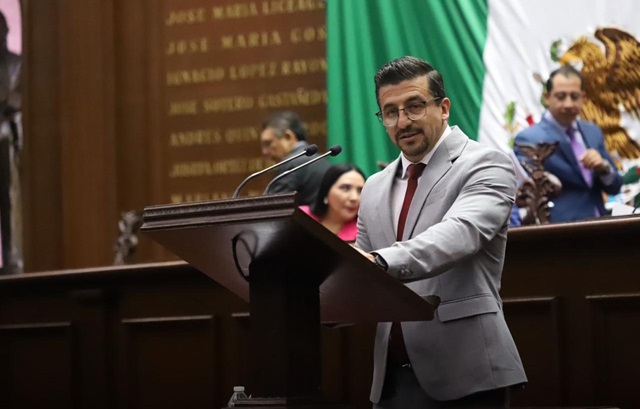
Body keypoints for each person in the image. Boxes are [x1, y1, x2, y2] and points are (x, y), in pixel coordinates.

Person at [355, 56, 527, 408]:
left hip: (467, 374)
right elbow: (359, 270)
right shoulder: (373, 186)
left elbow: (459, 234)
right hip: (391, 381)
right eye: (390, 112)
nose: (403, 121)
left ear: (444, 108)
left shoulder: (486, 163)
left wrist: (378, 261)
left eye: (415, 106)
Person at [514, 65, 622, 223]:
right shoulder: (529, 139)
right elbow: (525, 197)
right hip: (559, 228)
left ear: (583, 98)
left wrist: (603, 168)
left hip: (600, 223)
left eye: (574, 96)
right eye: (561, 96)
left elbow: (615, 186)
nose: (568, 104)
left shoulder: (592, 132)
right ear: (547, 98)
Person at [259, 111, 330, 205]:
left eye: (268, 143)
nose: (264, 152)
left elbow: (275, 207)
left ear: (288, 137)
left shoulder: (292, 164)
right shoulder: (322, 160)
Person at [0, 10, 21, 275]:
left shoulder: (19, 64)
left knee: (10, 203)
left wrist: (8, 99)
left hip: (10, 140)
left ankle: (11, 258)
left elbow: (22, 98)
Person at [299, 163, 365, 242]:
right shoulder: (300, 217)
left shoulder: (364, 234)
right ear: (326, 191)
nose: (354, 198)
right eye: (345, 188)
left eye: (360, 191)